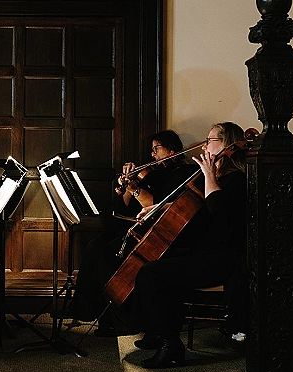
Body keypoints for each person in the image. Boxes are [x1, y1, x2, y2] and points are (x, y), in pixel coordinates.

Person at [133, 121, 248, 369]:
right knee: (156, 265)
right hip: (204, 252)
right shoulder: (216, 177)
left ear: (227, 144)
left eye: (211, 140)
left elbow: (216, 208)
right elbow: (195, 210)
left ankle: (170, 345)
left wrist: (209, 174)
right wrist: (157, 208)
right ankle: (161, 334)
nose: (205, 145)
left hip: (222, 260)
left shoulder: (236, 179)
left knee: (151, 274)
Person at [68, 130, 197, 335]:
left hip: (157, 236)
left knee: (106, 253)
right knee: (95, 245)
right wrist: (126, 187)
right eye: (152, 150)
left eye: (157, 149)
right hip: (137, 229)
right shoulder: (153, 173)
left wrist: (136, 189)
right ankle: (85, 309)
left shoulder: (183, 172)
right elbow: (123, 209)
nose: (153, 155)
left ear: (172, 149)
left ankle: (121, 319)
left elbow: (155, 205)